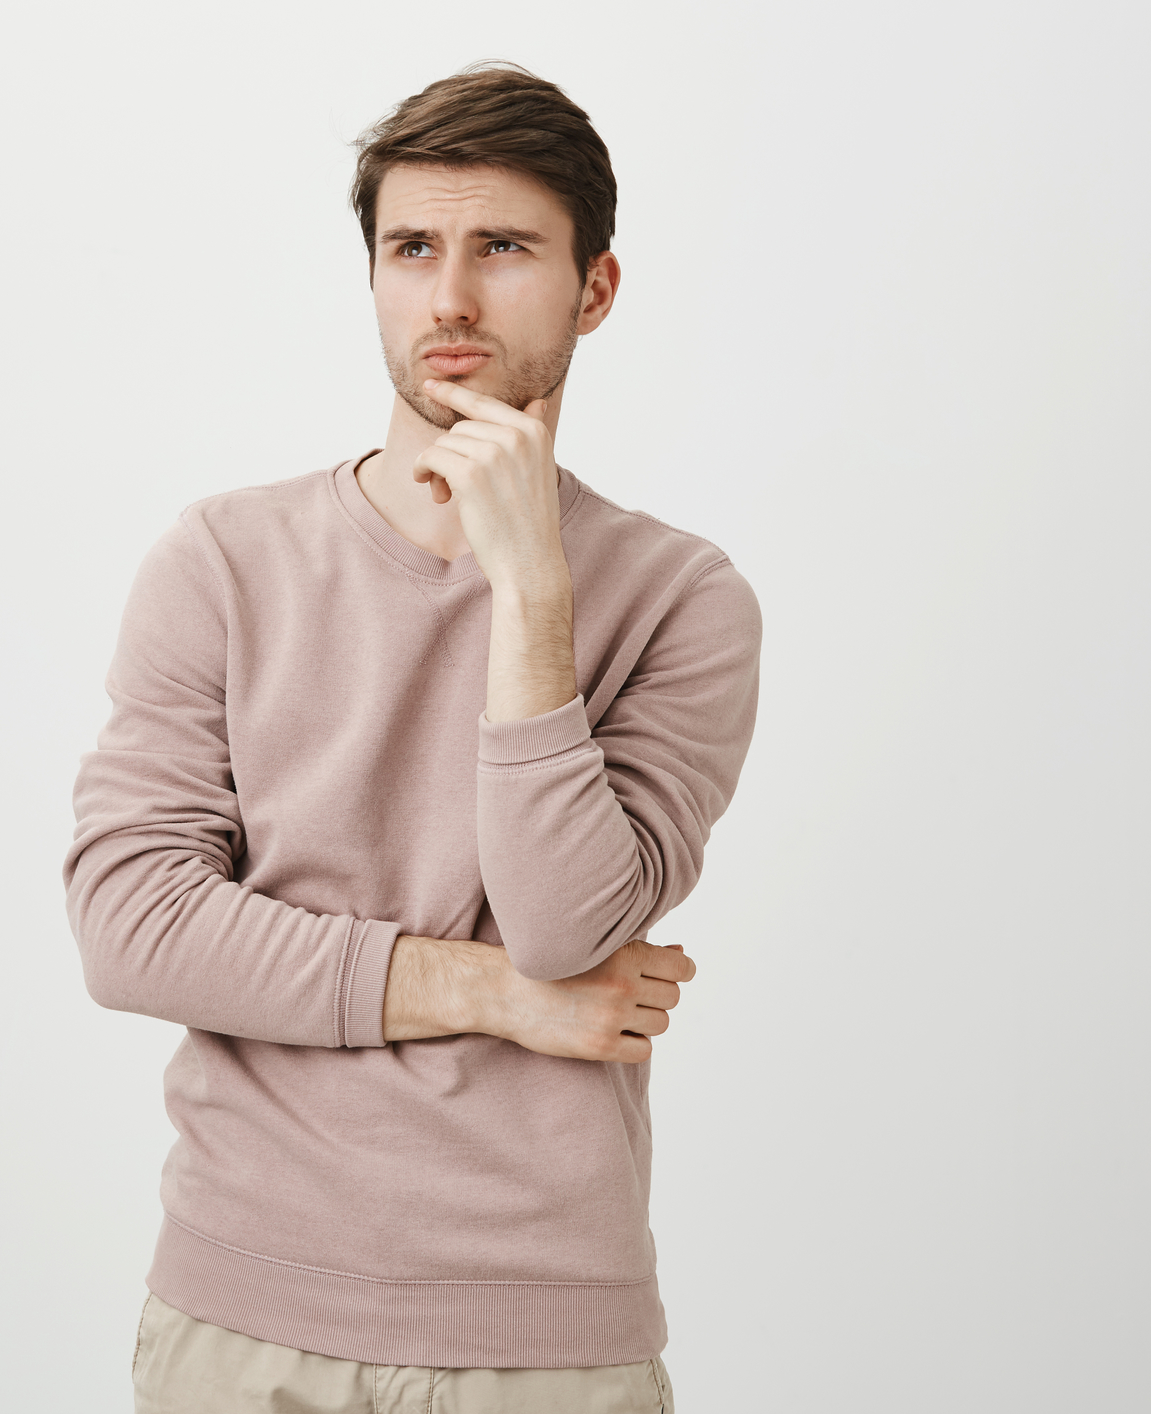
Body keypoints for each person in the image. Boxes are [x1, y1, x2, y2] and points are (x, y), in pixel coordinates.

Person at [64, 62, 761, 1414]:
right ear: (373, 275)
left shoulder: (684, 600)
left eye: (502, 248)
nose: (447, 298)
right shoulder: (222, 560)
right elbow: (128, 927)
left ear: (593, 289)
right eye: (410, 250)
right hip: (241, 1311)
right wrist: (491, 994)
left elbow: (564, 927)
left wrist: (533, 588)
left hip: (542, 1336)